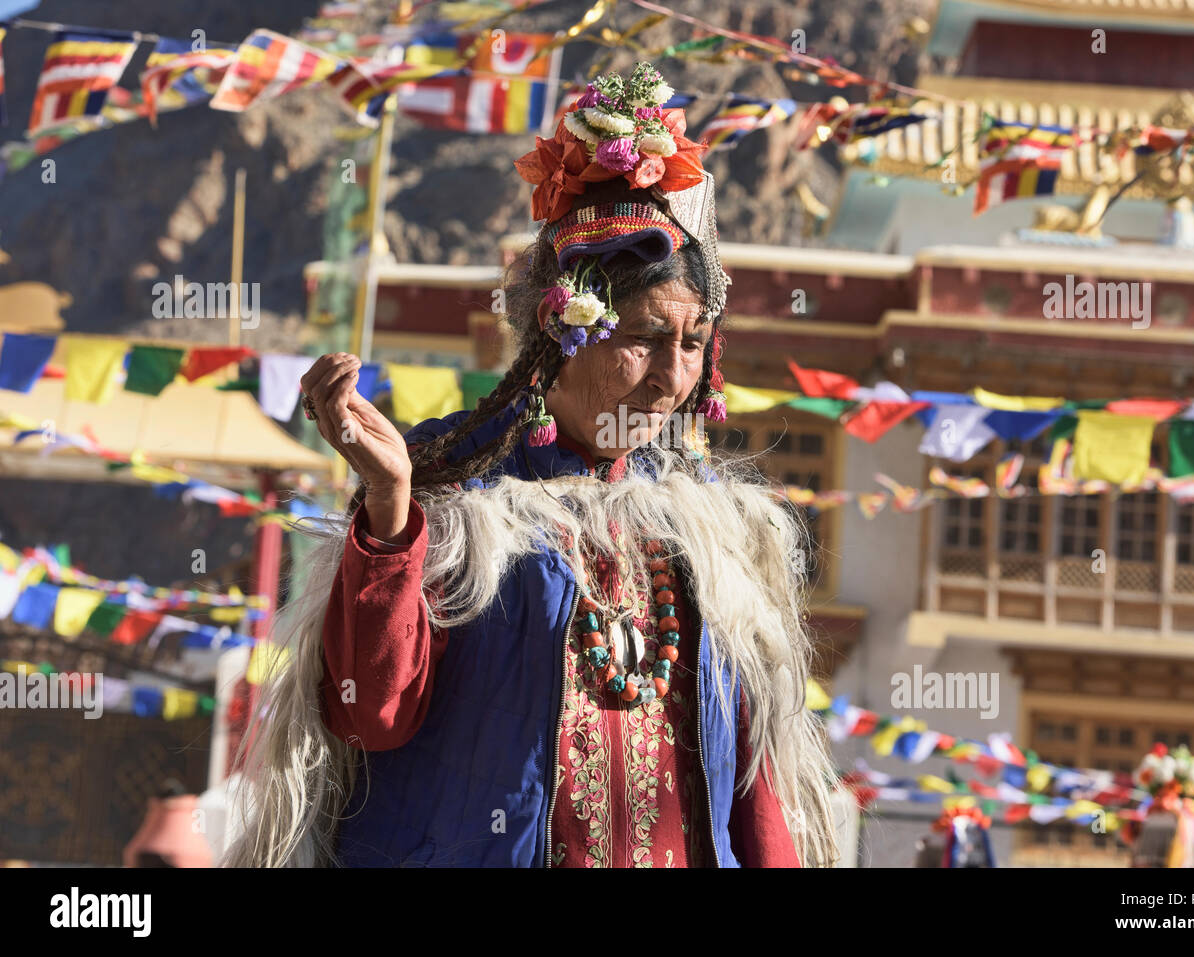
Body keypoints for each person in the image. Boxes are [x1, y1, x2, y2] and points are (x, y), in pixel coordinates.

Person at [225, 62, 839, 868]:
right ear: (565, 331)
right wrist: (387, 505)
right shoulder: (458, 497)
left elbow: (752, 795)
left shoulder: (714, 537)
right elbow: (370, 714)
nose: (673, 377)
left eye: (692, 344)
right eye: (646, 338)